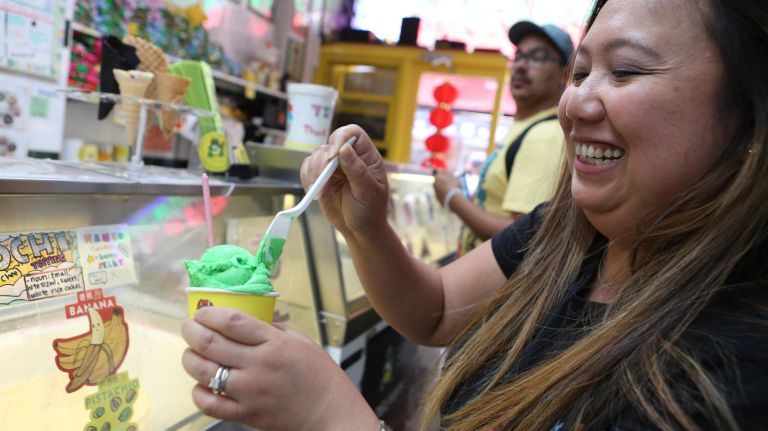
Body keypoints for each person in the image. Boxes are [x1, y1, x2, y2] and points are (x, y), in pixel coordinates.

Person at [181, 0, 768, 429]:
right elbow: (434, 311)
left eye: (628, 71)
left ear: (747, 113)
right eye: (582, 72)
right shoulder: (566, 233)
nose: (575, 102)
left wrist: (329, 412)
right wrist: (366, 226)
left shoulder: (734, 367)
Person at [434, 21, 572, 254]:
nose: (521, 66)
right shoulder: (527, 126)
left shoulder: (546, 136)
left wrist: (453, 198)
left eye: (537, 57)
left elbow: (524, 237)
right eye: (518, 56)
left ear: (565, 73)